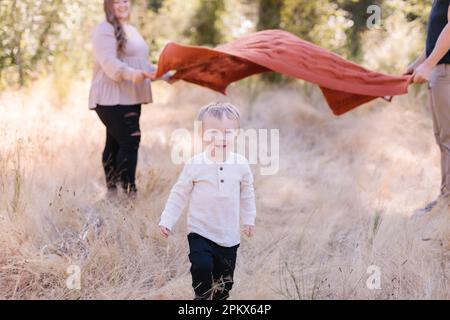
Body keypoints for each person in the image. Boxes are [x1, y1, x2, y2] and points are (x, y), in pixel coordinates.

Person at [158, 102, 257, 300]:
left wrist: (249, 219)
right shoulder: (195, 164)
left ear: (236, 134)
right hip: (200, 231)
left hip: (229, 235)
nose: (220, 138)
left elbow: (247, 194)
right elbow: (179, 194)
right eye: (213, 132)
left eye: (228, 132)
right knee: (201, 266)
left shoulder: (241, 164)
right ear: (202, 134)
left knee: (224, 284)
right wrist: (167, 220)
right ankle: (201, 297)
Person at [88, 0, 169, 197]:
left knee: (115, 142)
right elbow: (110, 64)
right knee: (130, 141)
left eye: (125, 0)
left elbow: (141, 63)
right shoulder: (104, 30)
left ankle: (113, 192)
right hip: (111, 97)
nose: (123, 5)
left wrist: (165, 74)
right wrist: (133, 75)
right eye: (117, 1)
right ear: (109, 5)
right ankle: (129, 194)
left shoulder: (130, 29)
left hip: (130, 95)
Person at [407, 0, 450, 217]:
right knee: (443, 140)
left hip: (447, 71)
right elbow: (436, 37)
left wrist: (430, 64)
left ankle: (447, 206)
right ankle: (445, 199)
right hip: (440, 71)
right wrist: (419, 63)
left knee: (449, 139)